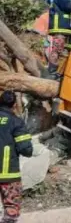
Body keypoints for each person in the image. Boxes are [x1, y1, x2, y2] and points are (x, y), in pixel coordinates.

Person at [0, 91, 33, 223]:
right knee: (11, 210)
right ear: (14, 105)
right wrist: (29, 151)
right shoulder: (16, 122)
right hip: (9, 174)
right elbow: (25, 148)